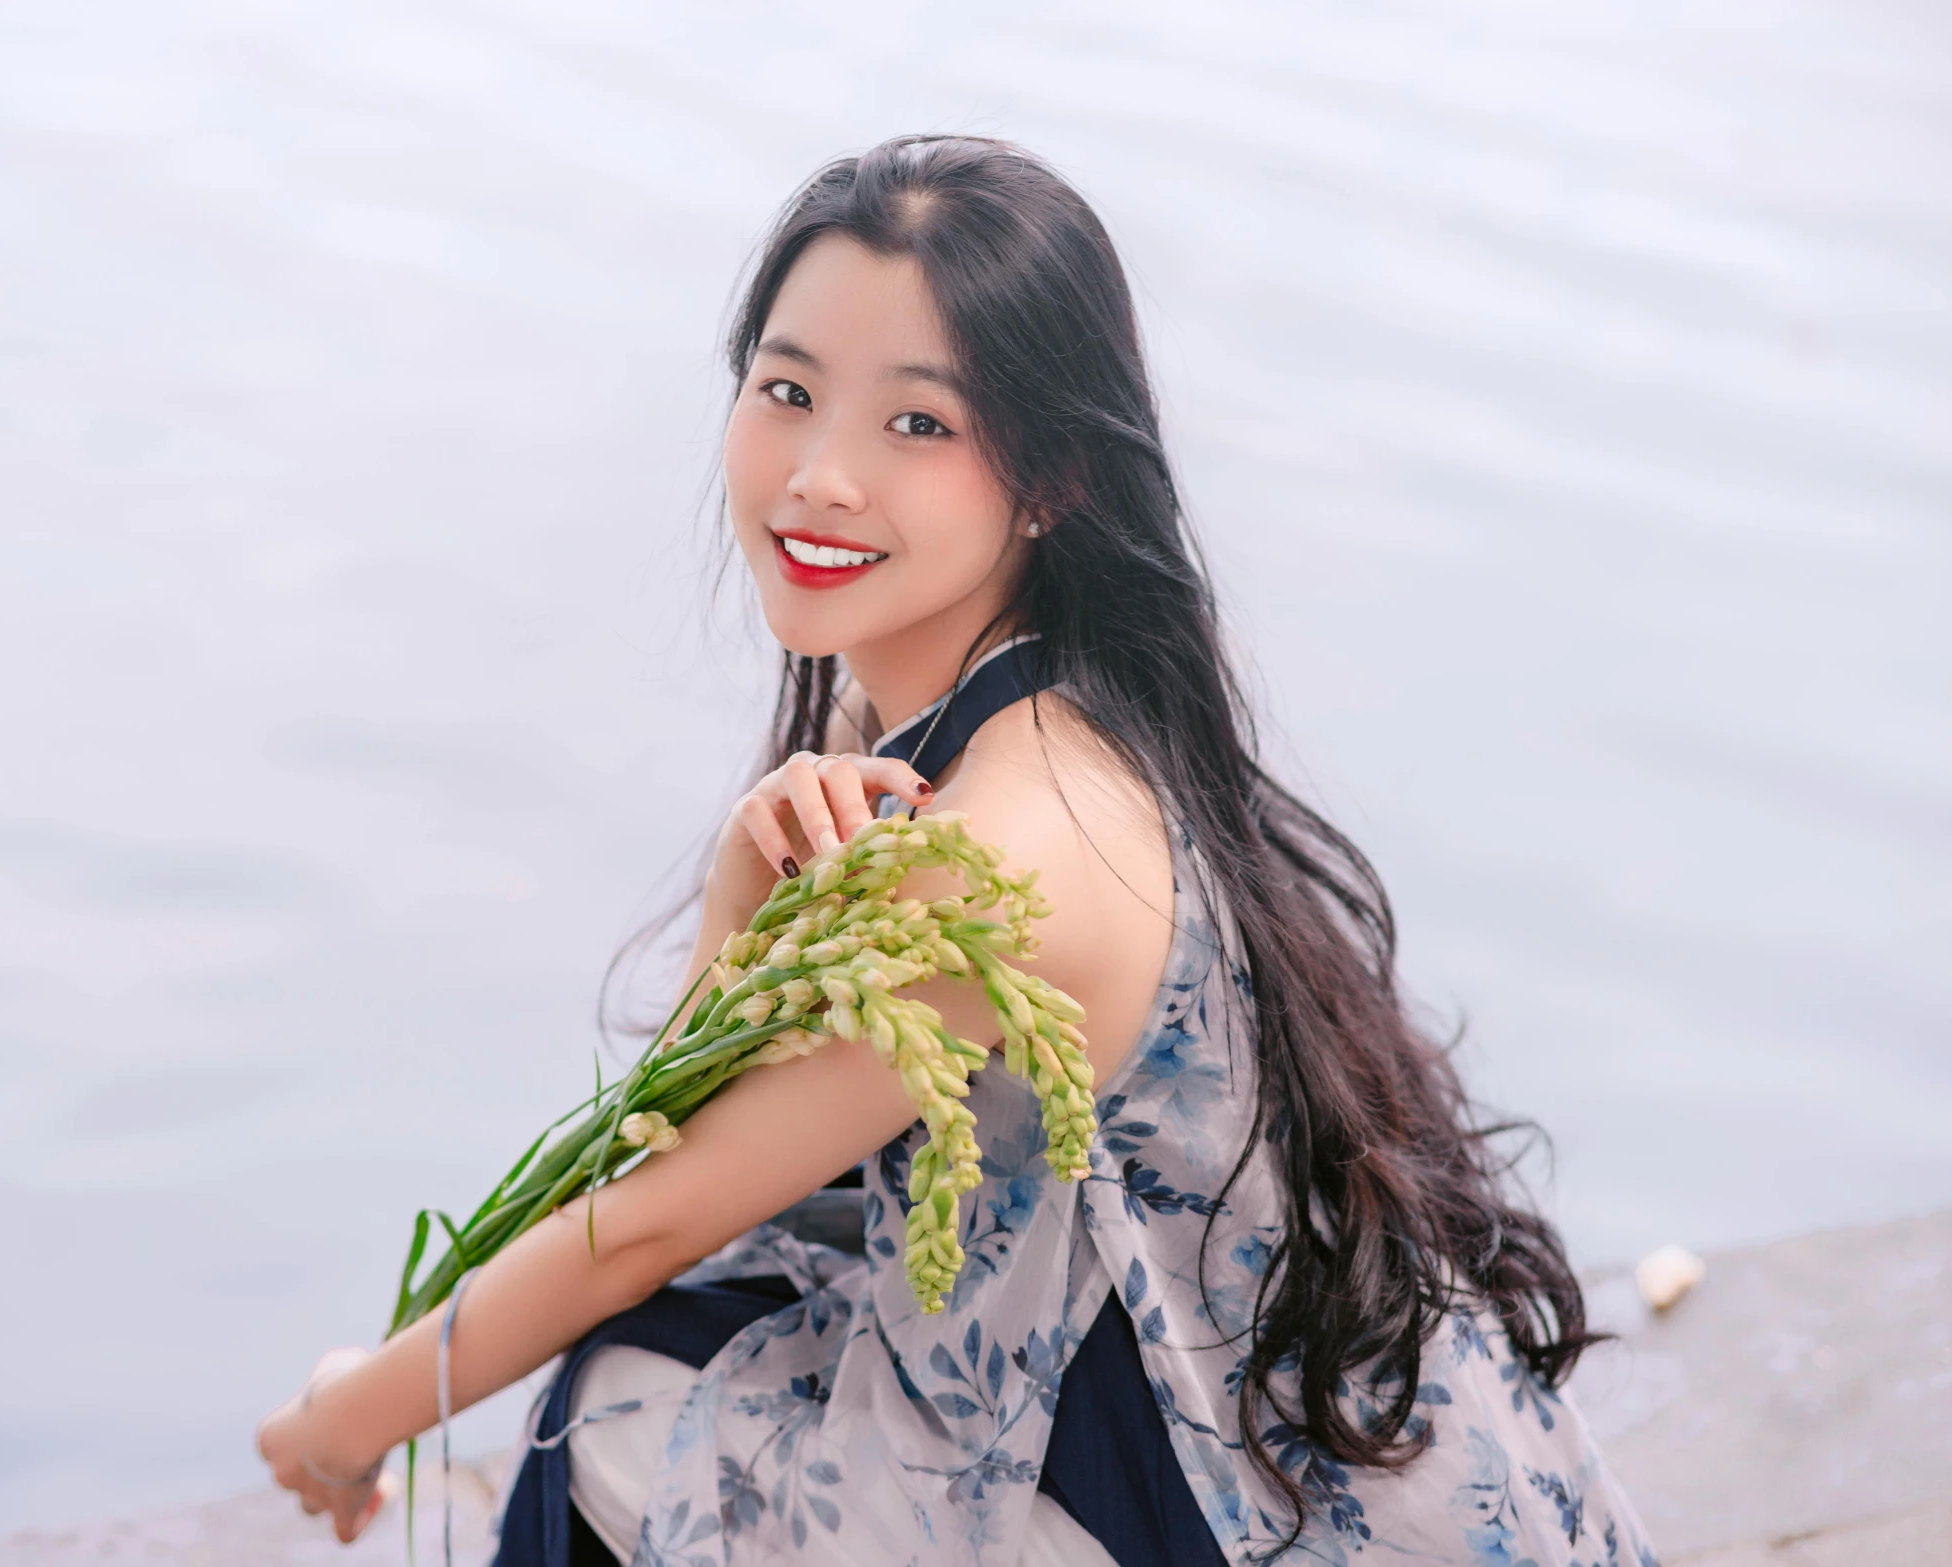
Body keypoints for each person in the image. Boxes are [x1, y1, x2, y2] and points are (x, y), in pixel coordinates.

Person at [256, 135, 1654, 1567]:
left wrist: (350, 1417)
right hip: (1194, 1402)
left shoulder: (995, 842)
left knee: (617, 1395)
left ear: (1050, 475)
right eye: (786, 391)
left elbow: (655, 1212)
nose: (818, 476)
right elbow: (690, 1165)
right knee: (694, 1326)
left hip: (1222, 1496)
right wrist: (744, 898)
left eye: (916, 425)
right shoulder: (1016, 694)